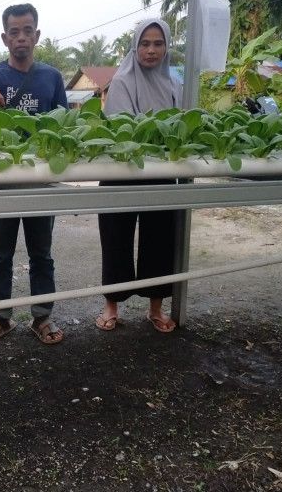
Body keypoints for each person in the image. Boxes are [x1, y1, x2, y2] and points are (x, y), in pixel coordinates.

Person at [0, 3, 68, 345]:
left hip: (39, 182)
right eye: (15, 32)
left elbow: (67, 125)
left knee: (41, 255)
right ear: (5, 38)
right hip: (1, 182)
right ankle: (0, 317)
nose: (22, 37)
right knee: (0, 255)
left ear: (37, 35)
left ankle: (42, 317)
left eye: (28, 30)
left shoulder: (52, 77)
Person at [94, 17, 183, 334]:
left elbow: (179, 127)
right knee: (116, 238)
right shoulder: (122, 81)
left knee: (159, 239)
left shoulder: (174, 84)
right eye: (145, 43)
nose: (151, 50)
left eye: (158, 43)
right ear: (135, 46)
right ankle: (111, 305)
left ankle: (155, 308)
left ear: (166, 47)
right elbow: (121, 131)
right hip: (121, 171)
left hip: (160, 174)